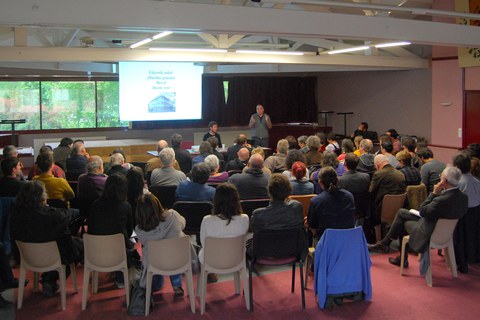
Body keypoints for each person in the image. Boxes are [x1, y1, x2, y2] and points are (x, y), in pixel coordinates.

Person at [369, 167, 468, 269]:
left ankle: (399, 256)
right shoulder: (464, 197)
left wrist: (433, 193)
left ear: (444, 180)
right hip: (446, 231)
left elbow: (423, 210)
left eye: (440, 176)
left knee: (402, 222)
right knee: (401, 212)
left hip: (430, 230)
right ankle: (388, 245)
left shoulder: (441, 200)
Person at [10, 181, 80, 297]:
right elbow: (68, 215)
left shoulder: (16, 213)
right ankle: (50, 279)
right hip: (52, 256)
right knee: (76, 248)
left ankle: (49, 279)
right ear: (41, 197)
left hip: (25, 256)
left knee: (75, 243)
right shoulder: (49, 215)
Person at [88, 173, 136, 288]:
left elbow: (91, 228)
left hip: (96, 249)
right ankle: (121, 279)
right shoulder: (126, 206)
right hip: (119, 249)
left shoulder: (95, 204)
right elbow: (130, 231)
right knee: (128, 244)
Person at [135, 193, 186, 297]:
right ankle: (177, 285)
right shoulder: (173, 215)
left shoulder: (139, 230)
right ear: (157, 204)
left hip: (155, 261)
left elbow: (145, 244)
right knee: (173, 251)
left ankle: (155, 282)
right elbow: (183, 224)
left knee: (152, 254)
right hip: (179, 258)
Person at [199, 183, 249, 273]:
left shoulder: (207, 220)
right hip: (236, 259)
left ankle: (209, 275)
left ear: (216, 200)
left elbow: (204, 243)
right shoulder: (244, 218)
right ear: (237, 200)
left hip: (212, 260)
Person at [308, 167, 355, 240]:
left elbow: (313, 229)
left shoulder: (316, 201)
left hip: (326, 242)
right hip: (348, 240)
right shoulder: (349, 196)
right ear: (337, 180)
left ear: (320, 183)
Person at [369, 154, 407, 243]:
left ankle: (376, 239)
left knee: (369, 206)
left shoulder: (378, 174)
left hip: (381, 211)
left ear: (377, 165)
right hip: (399, 210)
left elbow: (371, 192)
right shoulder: (400, 174)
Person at [453, 152, 480, 273]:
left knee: (460, 239)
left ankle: (462, 264)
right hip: (476, 212)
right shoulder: (477, 181)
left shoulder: (458, 183)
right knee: (473, 236)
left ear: (457, 167)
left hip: (463, 214)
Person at [338, 153, 371, 222]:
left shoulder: (340, 180)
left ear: (345, 164)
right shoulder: (366, 177)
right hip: (362, 211)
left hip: (347, 213)